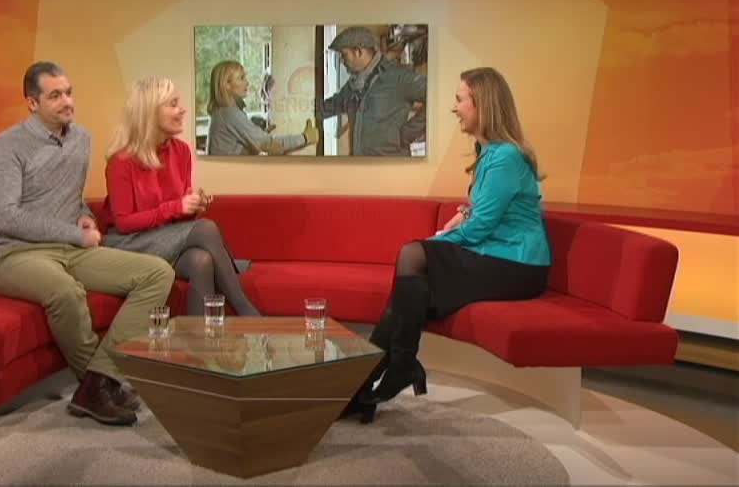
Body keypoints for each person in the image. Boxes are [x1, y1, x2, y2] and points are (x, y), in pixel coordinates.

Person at [345, 67, 551, 422]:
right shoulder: (490, 152)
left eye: (460, 99)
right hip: (496, 254)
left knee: (412, 258)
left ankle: (391, 370)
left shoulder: (505, 157)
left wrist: (435, 241)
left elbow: (480, 228)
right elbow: (486, 211)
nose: (454, 108)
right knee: (409, 292)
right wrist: (463, 216)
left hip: (517, 265)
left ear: (482, 103)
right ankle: (366, 385)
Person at [0, 62, 176, 427]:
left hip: (67, 248)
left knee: (157, 273)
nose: (67, 102)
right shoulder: (6, 147)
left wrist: (83, 215)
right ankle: (98, 386)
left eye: (68, 93)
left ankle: (98, 383)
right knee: (67, 292)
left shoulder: (81, 138)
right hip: (12, 253)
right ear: (32, 103)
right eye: (55, 95)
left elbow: (70, 197)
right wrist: (75, 234)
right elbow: (6, 217)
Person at [100, 76, 263, 318]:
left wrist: (192, 206)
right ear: (151, 112)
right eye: (173, 104)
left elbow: (178, 217)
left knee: (201, 261)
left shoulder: (181, 151)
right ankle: (247, 312)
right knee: (205, 228)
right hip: (129, 243)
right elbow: (123, 222)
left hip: (165, 238)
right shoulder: (122, 161)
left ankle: (201, 338)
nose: (182, 110)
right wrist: (176, 207)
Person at [321, 26, 427, 156]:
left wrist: (407, 134)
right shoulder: (353, 86)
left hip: (391, 165)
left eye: (344, 55)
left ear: (358, 51)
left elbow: (438, 97)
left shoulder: (398, 77)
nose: (342, 61)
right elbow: (327, 108)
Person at [206, 60, 318, 156]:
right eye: (241, 78)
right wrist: (306, 137)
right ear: (227, 85)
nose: (247, 83)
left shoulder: (221, 113)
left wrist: (256, 134)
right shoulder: (231, 115)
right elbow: (268, 144)